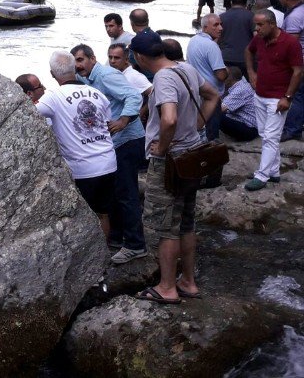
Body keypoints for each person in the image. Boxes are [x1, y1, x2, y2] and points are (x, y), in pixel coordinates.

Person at [130, 29, 220, 304]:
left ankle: (167, 287)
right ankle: (188, 282)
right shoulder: (185, 68)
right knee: (186, 222)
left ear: (140, 57)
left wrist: (162, 146)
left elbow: (168, 119)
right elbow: (213, 94)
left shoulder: (163, 77)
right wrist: (198, 125)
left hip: (171, 161)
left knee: (166, 226)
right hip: (192, 155)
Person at [72, 44, 147, 264]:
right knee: (115, 193)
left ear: (92, 59)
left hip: (128, 139)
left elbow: (134, 96)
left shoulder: (105, 75)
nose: (78, 65)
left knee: (127, 194)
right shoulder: (86, 77)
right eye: (74, 61)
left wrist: (123, 120)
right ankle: (116, 236)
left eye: (81, 60)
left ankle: (135, 245)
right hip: (113, 143)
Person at [35, 51, 117, 239]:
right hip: (108, 162)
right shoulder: (97, 94)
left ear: (52, 74)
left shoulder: (53, 96)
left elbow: (30, 113)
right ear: (75, 69)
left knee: (83, 216)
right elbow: (106, 123)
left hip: (82, 168)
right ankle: (103, 256)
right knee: (103, 213)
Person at [244, 9, 304, 190]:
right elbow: (248, 50)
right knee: (266, 135)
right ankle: (274, 172)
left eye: (260, 25)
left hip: (278, 99)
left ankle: (261, 175)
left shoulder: (290, 43)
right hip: (260, 95)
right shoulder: (259, 39)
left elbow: (298, 71)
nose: (257, 29)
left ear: (272, 24)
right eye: (256, 24)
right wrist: (251, 72)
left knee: (270, 137)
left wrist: (287, 97)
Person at [186, 13, 228, 140]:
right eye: (216, 25)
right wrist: (227, 71)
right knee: (211, 133)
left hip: (197, 92)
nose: (220, 28)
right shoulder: (211, 46)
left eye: (221, 24)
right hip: (211, 96)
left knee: (199, 129)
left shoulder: (194, 40)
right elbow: (221, 75)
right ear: (205, 28)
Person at [280, 0, 304, 141]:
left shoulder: (295, 16)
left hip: (300, 61)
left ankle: (292, 129)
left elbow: (291, 44)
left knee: (297, 95)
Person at [219, 67, 259, 141]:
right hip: (251, 126)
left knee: (216, 116)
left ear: (228, 79)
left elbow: (220, 109)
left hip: (250, 130)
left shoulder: (239, 90)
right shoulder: (244, 85)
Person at [219, 0, 254, 70]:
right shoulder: (251, 16)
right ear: (246, 2)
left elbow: (217, 38)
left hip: (225, 57)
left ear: (231, 2)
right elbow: (257, 37)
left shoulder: (221, 17)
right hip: (245, 59)